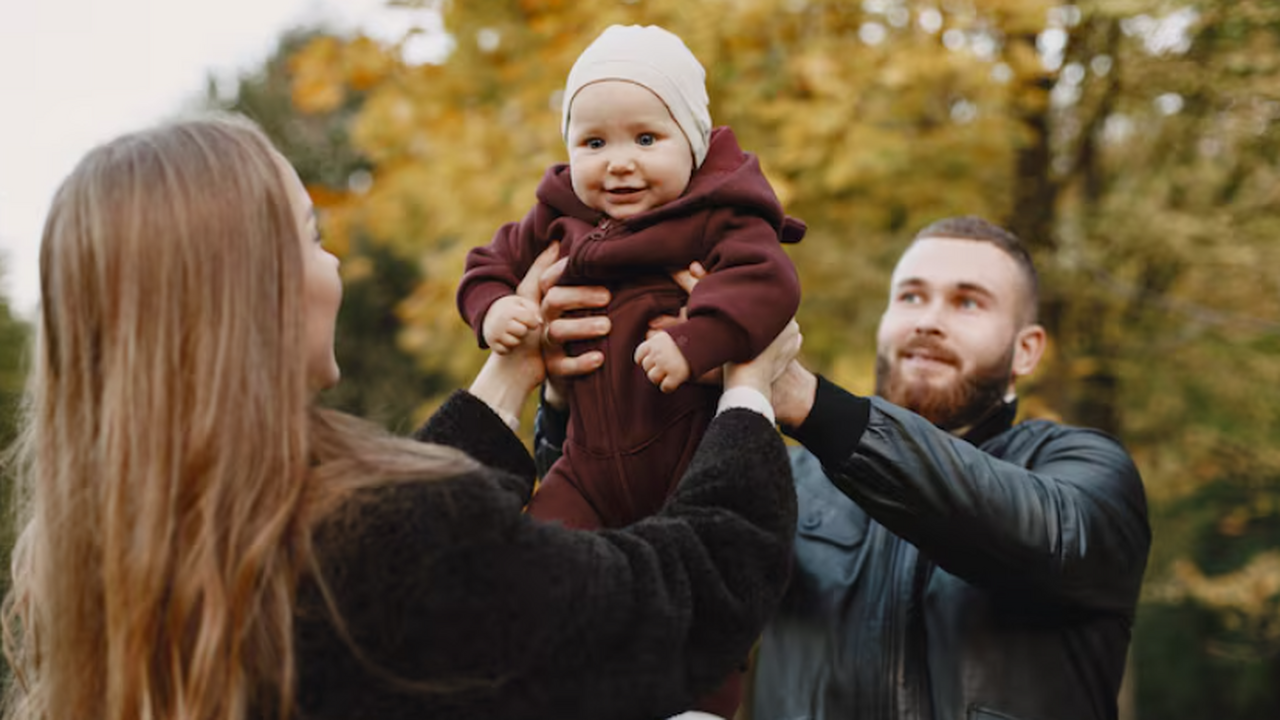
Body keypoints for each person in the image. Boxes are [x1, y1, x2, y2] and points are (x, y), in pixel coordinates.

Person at [0, 115, 803, 720]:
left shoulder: (79, 573)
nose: (336, 265)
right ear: (257, 294)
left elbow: (393, 543)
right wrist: (747, 392)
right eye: (312, 239)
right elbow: (679, 602)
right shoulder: (382, 553)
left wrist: (513, 369)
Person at [536, 216, 1152, 720]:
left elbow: (1042, 534)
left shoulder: (1085, 469)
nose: (928, 319)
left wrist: (801, 399)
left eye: (968, 302)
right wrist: (574, 400)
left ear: (1027, 350)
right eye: (910, 296)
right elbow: (625, 562)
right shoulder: (788, 481)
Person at [457, 24, 804, 532]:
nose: (619, 163)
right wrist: (493, 309)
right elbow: (489, 263)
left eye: (646, 139)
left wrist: (694, 340)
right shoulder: (559, 216)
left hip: (688, 457)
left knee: (698, 571)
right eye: (594, 143)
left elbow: (768, 282)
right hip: (584, 470)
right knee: (535, 558)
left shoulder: (716, 216)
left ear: (692, 143)